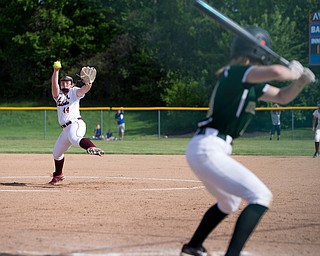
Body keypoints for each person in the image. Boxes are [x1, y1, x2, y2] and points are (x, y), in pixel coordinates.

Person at [180, 26, 315, 256]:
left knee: (229, 203)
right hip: (208, 148)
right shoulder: (236, 72)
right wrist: (292, 71)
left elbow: (282, 97)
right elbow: (280, 74)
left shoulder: (249, 80)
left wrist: (300, 82)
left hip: (209, 149)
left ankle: (193, 246)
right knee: (261, 196)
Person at [49, 62, 104, 185]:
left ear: (72, 84)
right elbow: (54, 85)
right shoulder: (58, 96)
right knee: (57, 153)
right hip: (65, 129)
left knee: (75, 139)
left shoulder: (74, 92)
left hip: (75, 124)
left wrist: (88, 83)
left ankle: (92, 147)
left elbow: (85, 89)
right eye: (62, 82)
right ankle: (58, 175)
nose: (64, 84)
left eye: (67, 82)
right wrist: (55, 71)